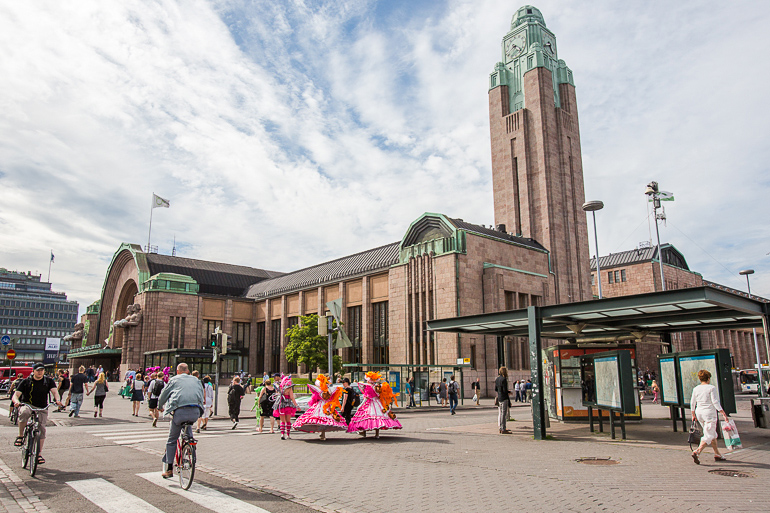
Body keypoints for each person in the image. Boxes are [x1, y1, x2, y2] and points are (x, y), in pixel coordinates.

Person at [158, 363, 204, 479]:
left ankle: (168, 469)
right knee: (188, 425)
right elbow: (201, 396)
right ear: (188, 371)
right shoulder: (196, 380)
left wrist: (159, 406)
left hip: (179, 412)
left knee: (172, 439)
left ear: (177, 371)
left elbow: (164, 395)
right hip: (195, 412)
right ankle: (190, 446)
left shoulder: (174, 380)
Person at [12, 363, 63, 466]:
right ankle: (21, 436)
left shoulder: (48, 381)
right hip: (28, 404)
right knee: (24, 412)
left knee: (42, 429)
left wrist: (57, 400)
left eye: (42, 370)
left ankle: (38, 454)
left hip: (42, 407)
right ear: (33, 371)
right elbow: (16, 395)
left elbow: (55, 392)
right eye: (38, 370)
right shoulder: (26, 381)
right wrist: (16, 402)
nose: (40, 372)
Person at [690, 369, 730, 464]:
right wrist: (723, 413)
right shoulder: (711, 388)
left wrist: (693, 414)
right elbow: (715, 402)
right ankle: (697, 451)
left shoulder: (696, 389)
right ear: (708, 378)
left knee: (711, 432)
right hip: (709, 413)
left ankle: (717, 454)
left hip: (699, 413)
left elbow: (692, 402)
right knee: (709, 434)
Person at [347, 372, 401, 439]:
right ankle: (377, 434)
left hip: (370, 403)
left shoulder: (368, 387)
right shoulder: (377, 386)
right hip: (377, 403)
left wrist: (361, 404)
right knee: (377, 417)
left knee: (366, 417)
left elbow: (367, 397)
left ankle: (364, 432)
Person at [292, 374, 347, 440]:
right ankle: (322, 433)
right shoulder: (329, 390)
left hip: (321, 404)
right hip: (325, 405)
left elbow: (314, 397)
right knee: (324, 418)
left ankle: (322, 433)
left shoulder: (321, 390)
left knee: (321, 418)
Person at [273, 375, 299, 440]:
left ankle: (282, 434)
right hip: (288, 404)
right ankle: (288, 434)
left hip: (281, 404)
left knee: (282, 421)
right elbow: (292, 398)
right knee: (288, 421)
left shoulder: (280, 387)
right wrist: (296, 406)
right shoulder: (289, 388)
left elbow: (277, 394)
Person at [495, 366, 513, 434]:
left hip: (499, 397)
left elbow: (496, 389)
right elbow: (505, 391)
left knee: (500, 413)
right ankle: (503, 428)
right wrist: (509, 392)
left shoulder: (497, 379)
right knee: (504, 414)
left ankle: (500, 427)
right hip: (504, 398)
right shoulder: (504, 379)